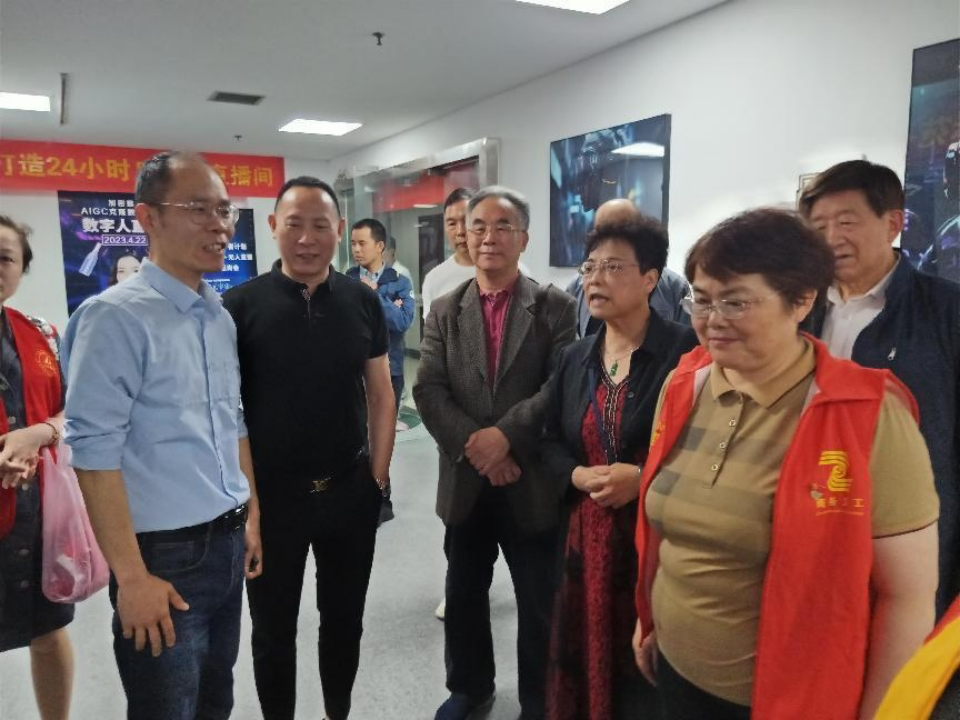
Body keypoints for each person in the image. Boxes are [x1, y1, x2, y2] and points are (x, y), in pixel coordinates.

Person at [632, 208, 940, 719]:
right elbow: (667, 530)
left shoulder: (865, 413)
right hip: (676, 669)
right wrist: (648, 619)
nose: (712, 319)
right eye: (701, 300)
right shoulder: (686, 383)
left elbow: (907, 595)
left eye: (736, 301)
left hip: (788, 697)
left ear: (801, 301)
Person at [61, 151, 261, 720]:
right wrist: (131, 578)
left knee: (215, 701)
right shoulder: (114, 318)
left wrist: (251, 513)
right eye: (198, 209)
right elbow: (93, 453)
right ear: (148, 217)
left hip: (226, 542)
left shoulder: (217, 315)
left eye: (224, 210)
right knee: (166, 708)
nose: (219, 225)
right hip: (163, 559)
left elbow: (232, 421)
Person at [222, 177, 396, 720]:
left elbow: (382, 393)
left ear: (339, 231)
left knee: (344, 622)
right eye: (294, 224)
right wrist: (250, 507)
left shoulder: (362, 301)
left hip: (349, 490)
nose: (306, 238)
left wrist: (377, 478)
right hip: (273, 500)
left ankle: (337, 711)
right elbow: (229, 415)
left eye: (320, 225)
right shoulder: (239, 306)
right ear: (273, 226)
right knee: (273, 630)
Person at [414, 185, 577, 720]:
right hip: (466, 480)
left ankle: (539, 701)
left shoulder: (555, 307)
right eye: (478, 225)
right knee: (463, 593)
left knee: (538, 601)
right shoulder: (445, 309)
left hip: (530, 479)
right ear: (464, 234)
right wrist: (479, 448)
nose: (488, 236)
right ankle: (470, 688)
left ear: (523, 238)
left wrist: (505, 439)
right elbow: (428, 389)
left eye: (503, 226)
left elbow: (559, 387)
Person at [543, 217, 697, 720]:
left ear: (651, 278)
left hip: (653, 539)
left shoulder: (686, 353)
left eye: (612, 267)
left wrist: (643, 477)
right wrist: (575, 475)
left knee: (645, 670)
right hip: (584, 537)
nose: (595, 279)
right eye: (589, 268)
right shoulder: (575, 357)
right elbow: (548, 440)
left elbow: (705, 448)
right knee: (586, 654)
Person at [799, 160, 960, 618]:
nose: (831, 237)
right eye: (819, 226)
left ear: (893, 223)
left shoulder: (946, 312)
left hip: (908, 532)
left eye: (847, 222)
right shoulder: (797, 311)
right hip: (808, 518)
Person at [0, 214, 74, 720]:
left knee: (48, 631)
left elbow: (74, 411)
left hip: (38, 513)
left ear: (22, 269)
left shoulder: (42, 334)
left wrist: (39, 434)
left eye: (5, 258)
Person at [348, 218, 415, 523]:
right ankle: (359, 496)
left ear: (380, 246)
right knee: (357, 436)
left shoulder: (400, 281)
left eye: (362, 243)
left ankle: (382, 499)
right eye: (353, 243)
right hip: (353, 370)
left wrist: (373, 295)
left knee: (382, 437)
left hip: (391, 370)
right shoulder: (346, 280)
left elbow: (401, 322)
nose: (356, 249)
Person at [565, 199, 689, 337]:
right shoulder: (578, 285)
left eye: (613, 267)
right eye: (602, 229)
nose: (610, 236)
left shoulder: (674, 287)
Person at [421, 187, 531, 321]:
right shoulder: (434, 279)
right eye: (452, 224)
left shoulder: (517, 272)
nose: (460, 231)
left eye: (466, 221)